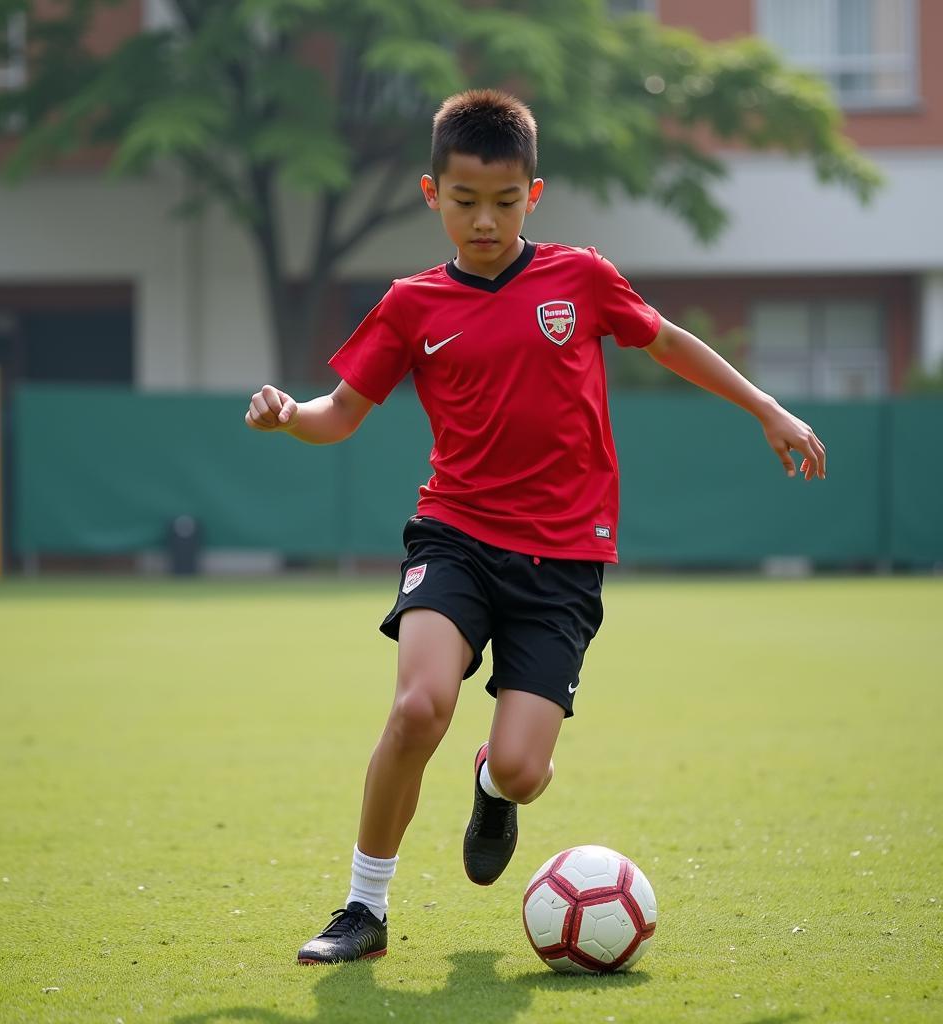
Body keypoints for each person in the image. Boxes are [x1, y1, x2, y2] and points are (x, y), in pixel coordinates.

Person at [245, 89, 826, 965]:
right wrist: (292, 413)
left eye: (505, 202)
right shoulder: (410, 304)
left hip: (563, 558)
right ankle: (363, 909)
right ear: (430, 193)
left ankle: (491, 783)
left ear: (534, 195)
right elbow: (341, 412)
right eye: (466, 201)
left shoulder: (581, 279)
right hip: (455, 536)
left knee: (522, 770)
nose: (485, 221)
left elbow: (666, 341)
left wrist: (764, 407)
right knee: (417, 707)